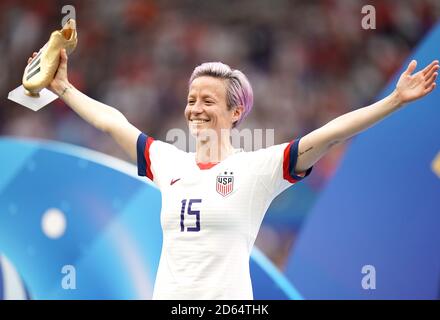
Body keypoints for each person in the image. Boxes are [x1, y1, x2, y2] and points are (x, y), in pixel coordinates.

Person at [27, 49, 438, 299]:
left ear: (236, 112)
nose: (196, 108)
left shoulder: (256, 170)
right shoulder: (170, 163)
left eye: (209, 100)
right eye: (191, 99)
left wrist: (394, 101)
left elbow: (328, 136)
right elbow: (111, 123)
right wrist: (63, 87)